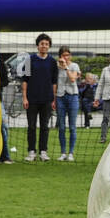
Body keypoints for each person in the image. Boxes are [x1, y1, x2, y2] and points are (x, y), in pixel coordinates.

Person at [20, 33, 56, 162]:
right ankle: (31, 152)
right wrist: (25, 97)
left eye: (46, 44)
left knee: (45, 127)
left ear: (49, 46)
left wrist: (54, 99)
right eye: (42, 44)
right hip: (32, 99)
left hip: (47, 99)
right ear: (37, 46)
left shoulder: (52, 62)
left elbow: (54, 82)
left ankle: (43, 152)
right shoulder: (29, 60)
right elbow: (24, 80)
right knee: (31, 126)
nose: (44, 46)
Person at [55, 46, 81, 161]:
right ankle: (63, 153)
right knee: (61, 127)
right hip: (60, 97)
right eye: (64, 55)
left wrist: (65, 67)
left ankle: (71, 153)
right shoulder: (56, 67)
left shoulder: (74, 66)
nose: (66, 57)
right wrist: (53, 98)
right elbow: (54, 83)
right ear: (60, 56)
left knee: (72, 127)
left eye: (68, 55)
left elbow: (72, 79)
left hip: (72, 96)